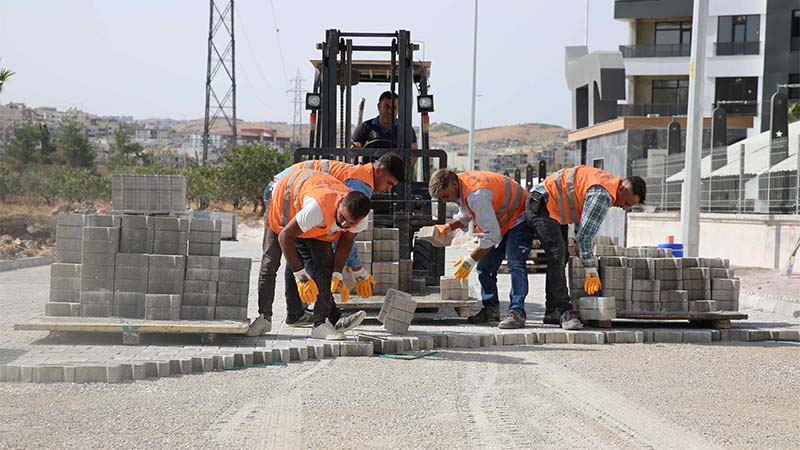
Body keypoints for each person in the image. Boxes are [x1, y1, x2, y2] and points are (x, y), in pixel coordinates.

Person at [251, 154, 404, 336]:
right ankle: (264, 318)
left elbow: (346, 241)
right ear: (339, 207)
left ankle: (320, 324)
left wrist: (337, 273)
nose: (345, 225)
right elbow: (285, 237)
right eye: (389, 183)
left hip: (310, 203)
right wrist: (301, 276)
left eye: (350, 224)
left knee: (324, 265)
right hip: (282, 195)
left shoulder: (359, 215)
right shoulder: (319, 209)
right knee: (271, 262)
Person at [526, 165, 646, 330]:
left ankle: (552, 311)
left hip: (550, 206)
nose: (624, 208)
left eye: (628, 207)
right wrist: (590, 269)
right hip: (541, 203)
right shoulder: (602, 194)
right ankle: (563, 310)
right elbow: (585, 236)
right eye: (626, 203)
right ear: (623, 189)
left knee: (561, 257)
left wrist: (578, 245)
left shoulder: (607, 183)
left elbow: (580, 214)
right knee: (557, 255)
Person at [429, 169, 533, 329]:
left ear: (454, 184)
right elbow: (466, 214)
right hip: (500, 221)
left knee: (515, 264)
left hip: (519, 216)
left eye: (445, 196)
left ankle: (517, 312)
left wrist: (470, 259)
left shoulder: (476, 195)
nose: (445, 201)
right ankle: (491, 310)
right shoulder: (461, 187)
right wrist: (448, 227)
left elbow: (491, 235)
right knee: (485, 267)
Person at [352, 91, 418, 149]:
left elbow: (413, 153)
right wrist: (356, 146)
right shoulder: (365, 127)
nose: (389, 111)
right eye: (387, 107)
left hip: (395, 163)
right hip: (370, 163)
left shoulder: (406, 129)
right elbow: (352, 146)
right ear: (378, 106)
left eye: (393, 108)